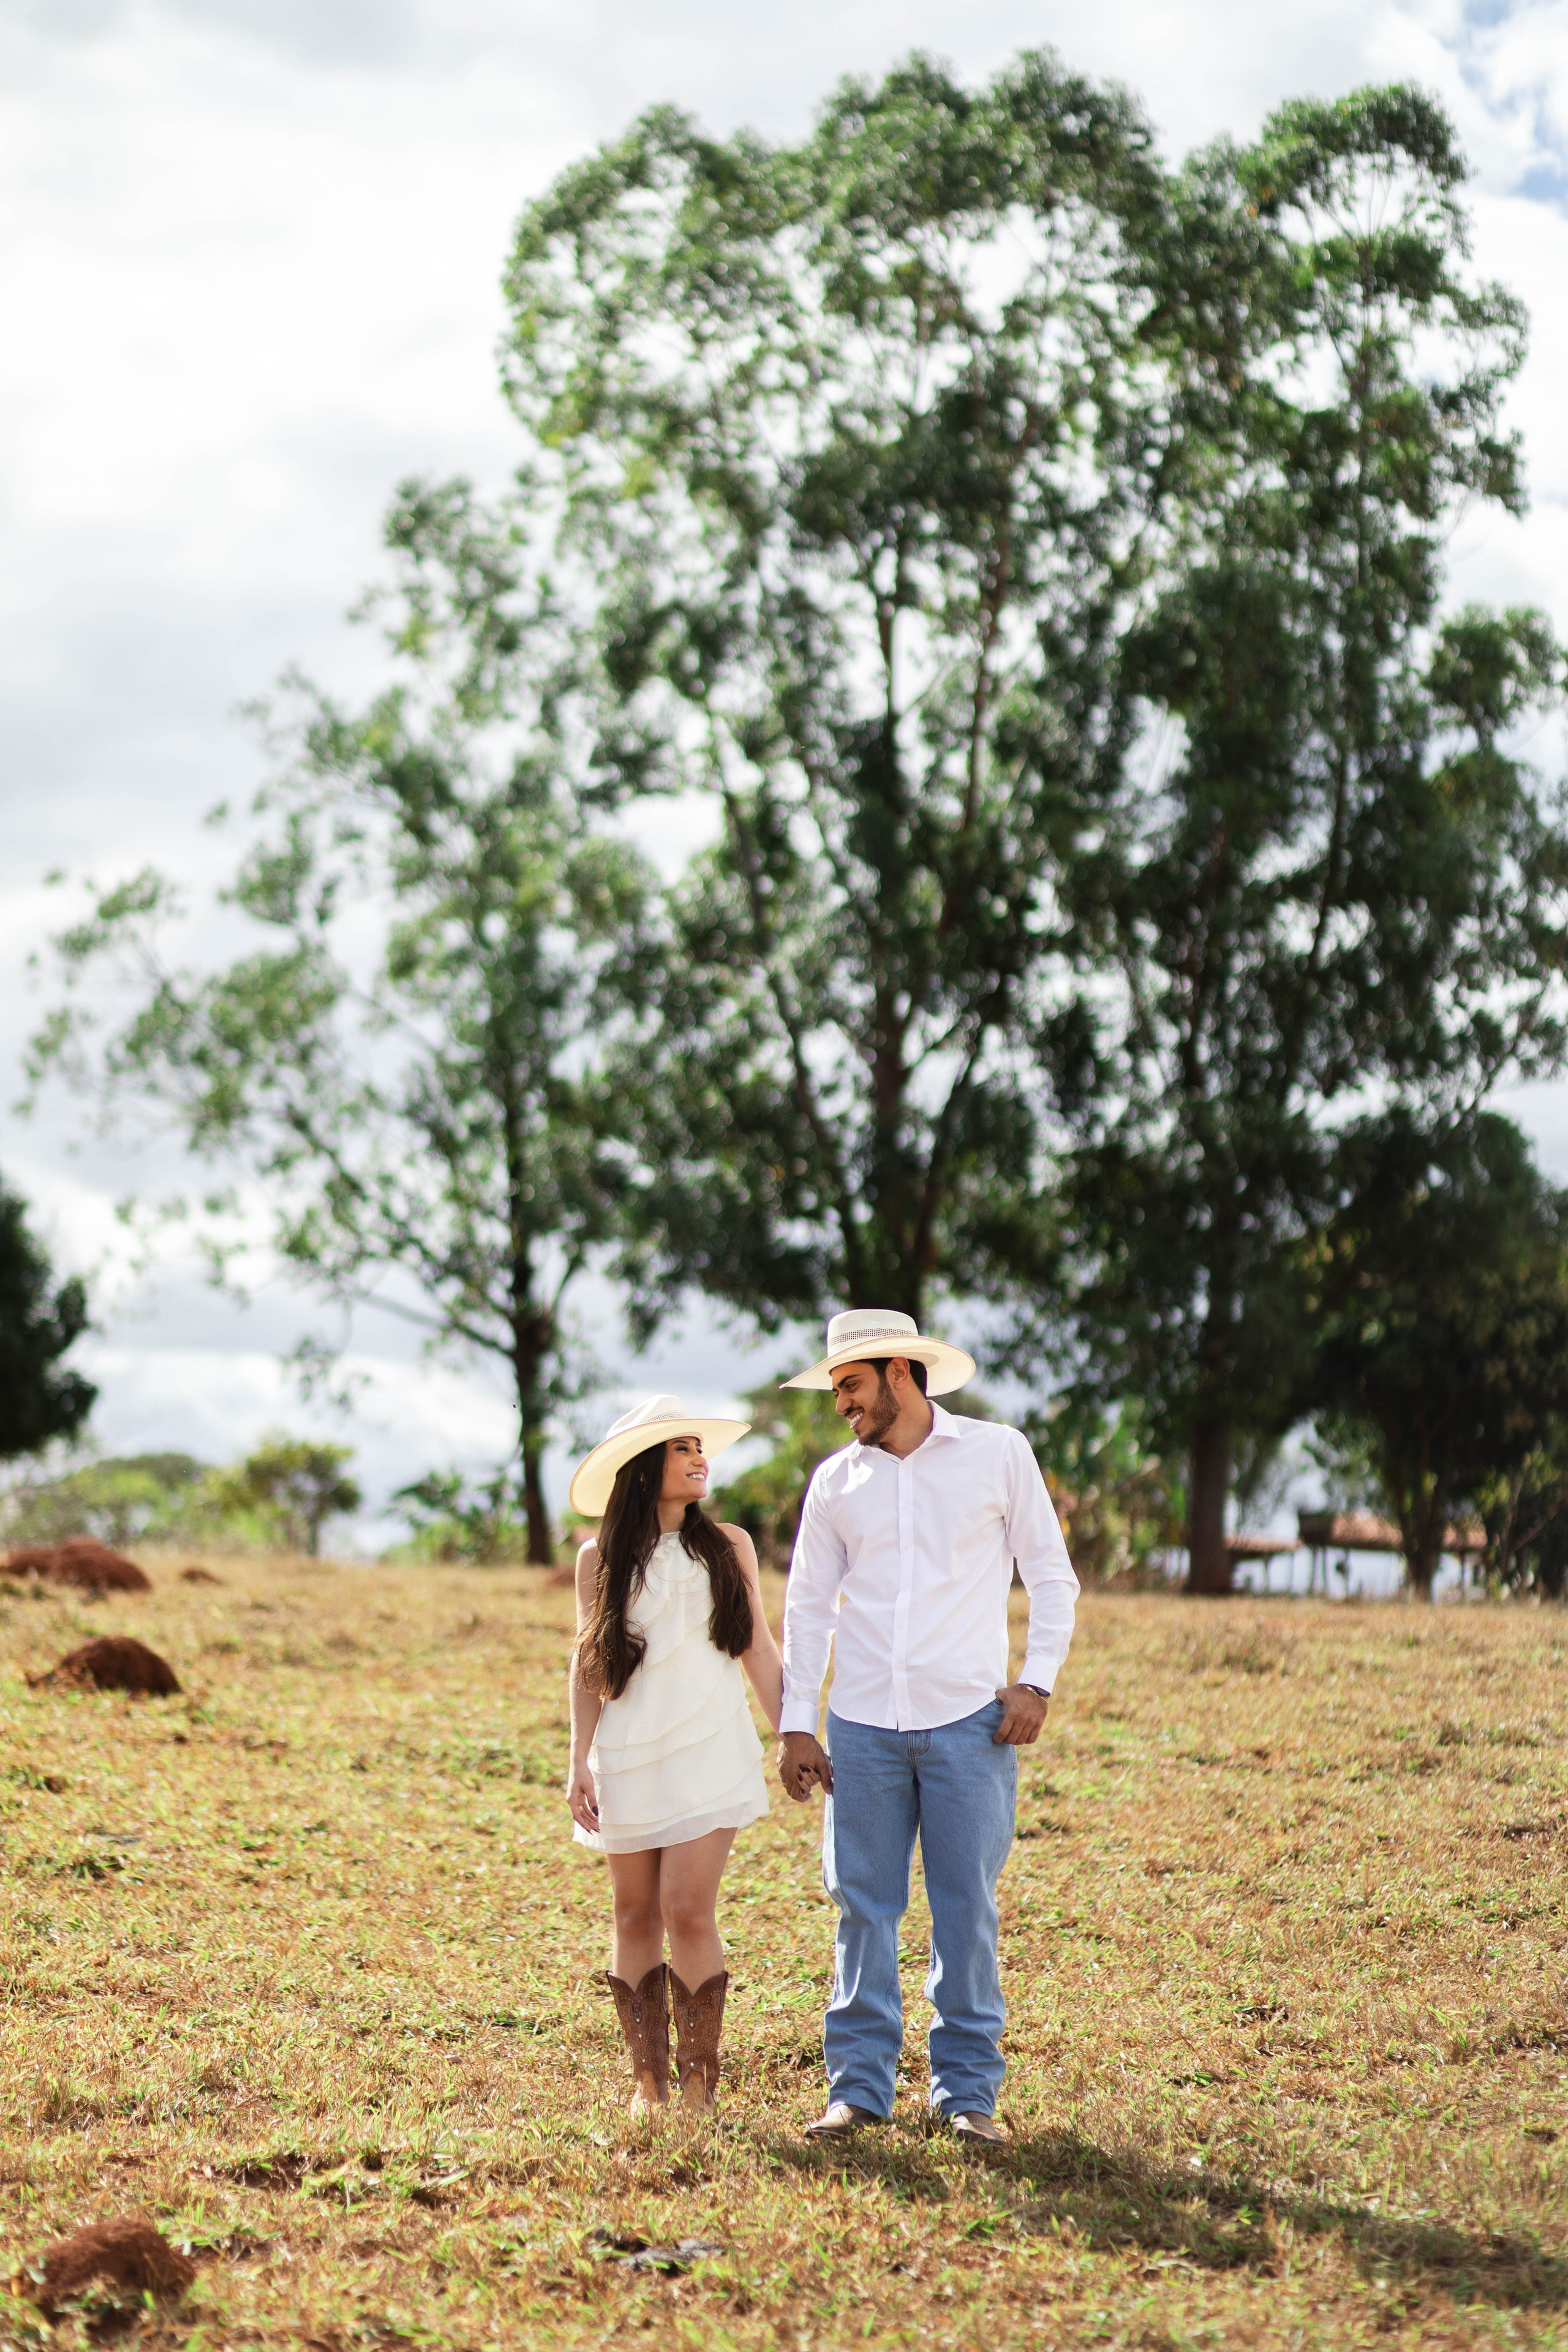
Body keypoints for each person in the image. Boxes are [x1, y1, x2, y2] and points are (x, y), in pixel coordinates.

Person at [775, 1308, 1079, 2144]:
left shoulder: (998, 1454)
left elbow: (1051, 1579)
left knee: (965, 1909)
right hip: (864, 1727)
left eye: (851, 1387)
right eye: (838, 1389)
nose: (843, 1406)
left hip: (969, 1727)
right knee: (862, 1908)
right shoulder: (837, 1484)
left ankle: (968, 2096)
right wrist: (797, 1724)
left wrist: (1037, 1684)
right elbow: (807, 1610)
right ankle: (858, 2092)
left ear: (900, 1374)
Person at [566, 1393, 783, 2116]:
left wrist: (793, 1734)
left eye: (700, 1447)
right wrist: (578, 1760)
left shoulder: (728, 1545)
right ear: (641, 1467)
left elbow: (757, 1647)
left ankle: (697, 2083)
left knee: (687, 1908)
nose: (699, 1459)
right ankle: (646, 2084)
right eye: (681, 1448)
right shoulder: (599, 1557)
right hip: (627, 1754)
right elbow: (589, 1663)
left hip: (708, 1745)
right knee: (632, 1914)